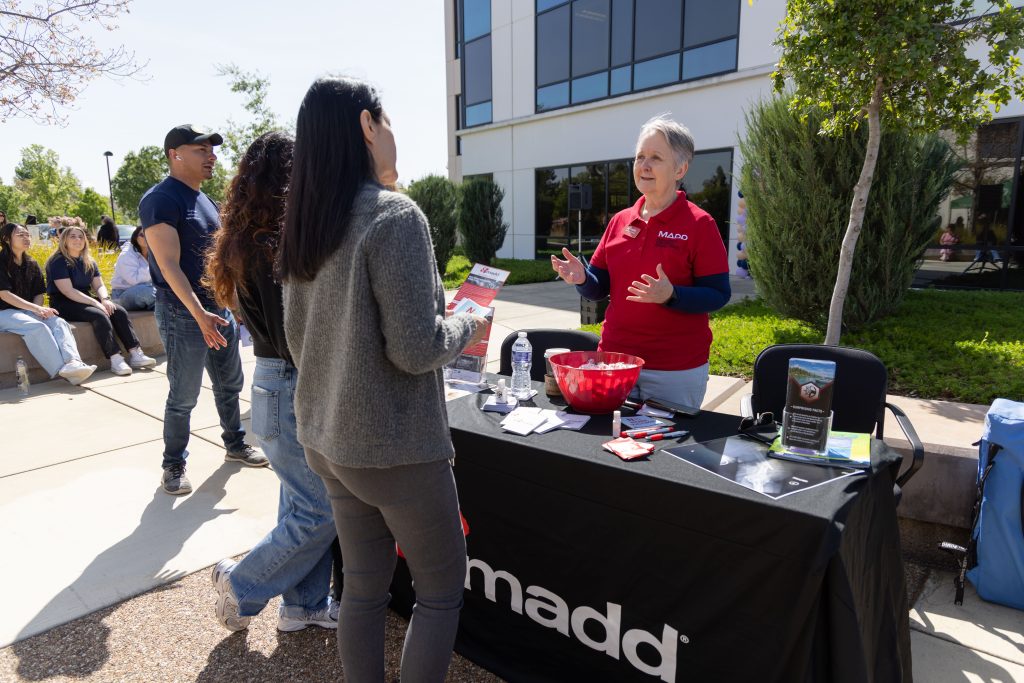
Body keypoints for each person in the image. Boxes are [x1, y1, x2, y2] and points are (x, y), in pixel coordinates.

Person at [280, 77, 488, 682]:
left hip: (328, 439)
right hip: (394, 446)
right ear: (368, 126)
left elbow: (299, 341)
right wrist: (469, 324)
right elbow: (417, 347)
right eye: (388, 120)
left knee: (365, 589)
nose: (395, 134)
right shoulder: (393, 216)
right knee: (441, 590)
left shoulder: (308, 222)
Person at [204, 131, 339, 634]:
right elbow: (294, 335)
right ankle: (239, 585)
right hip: (290, 383)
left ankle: (302, 606)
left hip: (271, 383)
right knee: (322, 509)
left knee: (297, 500)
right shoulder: (275, 246)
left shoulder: (243, 242)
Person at [552, 115, 730, 409]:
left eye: (656, 158)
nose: (644, 165)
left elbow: (718, 294)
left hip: (674, 371)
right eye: (640, 157)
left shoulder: (700, 224)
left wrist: (672, 295)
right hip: (614, 362)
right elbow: (599, 288)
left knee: (666, 454)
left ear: (680, 169)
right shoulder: (620, 221)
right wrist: (582, 279)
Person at [139, 124, 267, 497]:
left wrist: (233, 306)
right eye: (200, 149)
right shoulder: (161, 199)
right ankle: (173, 465)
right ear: (174, 154)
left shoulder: (207, 202)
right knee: (184, 395)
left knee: (230, 385)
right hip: (184, 314)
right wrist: (199, 315)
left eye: (212, 149)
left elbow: (219, 263)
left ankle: (235, 444)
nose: (211, 155)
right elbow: (168, 265)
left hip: (218, 311)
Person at [45, 224, 156, 377]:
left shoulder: (88, 261)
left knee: (118, 311)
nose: (77, 239)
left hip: (84, 298)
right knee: (99, 315)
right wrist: (96, 303)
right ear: (64, 240)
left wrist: (105, 299)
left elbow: (99, 284)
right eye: (72, 236)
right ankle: (115, 358)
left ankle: (136, 353)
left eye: (80, 237)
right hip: (63, 302)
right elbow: (67, 290)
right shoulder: (58, 261)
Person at [0, 223, 96, 385]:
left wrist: (39, 310)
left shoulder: (31, 263)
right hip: (3, 312)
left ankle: (73, 363)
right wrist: (36, 309)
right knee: (37, 327)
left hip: (26, 310)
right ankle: (62, 370)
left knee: (58, 321)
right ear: (6, 239)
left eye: (27, 234)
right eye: (20, 235)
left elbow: (38, 293)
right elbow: (4, 295)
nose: (26, 238)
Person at [110, 226, 156, 310]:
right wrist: (152, 265)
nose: (146, 237)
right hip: (121, 295)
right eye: (142, 235)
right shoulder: (127, 255)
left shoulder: (153, 252)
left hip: (145, 289)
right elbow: (135, 281)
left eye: (149, 234)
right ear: (135, 237)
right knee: (149, 292)